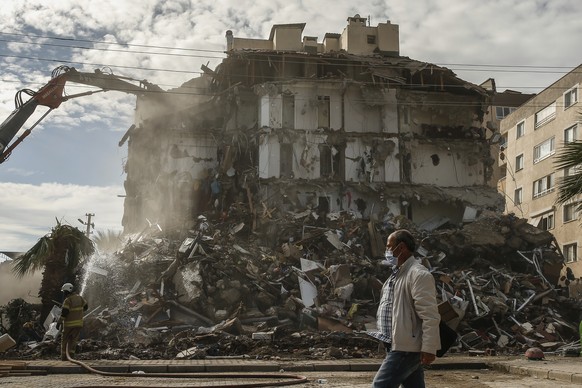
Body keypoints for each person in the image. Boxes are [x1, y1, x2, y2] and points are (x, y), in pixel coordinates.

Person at [368, 229, 441, 387]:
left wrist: (429, 347)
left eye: (389, 247)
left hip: (406, 348)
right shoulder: (398, 273)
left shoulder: (418, 274)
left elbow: (430, 315)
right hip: (398, 344)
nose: (387, 251)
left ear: (401, 248)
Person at [58, 283, 88, 361]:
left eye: (64, 292)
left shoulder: (68, 300)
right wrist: (79, 314)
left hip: (68, 325)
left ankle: (64, 357)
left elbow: (64, 312)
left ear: (67, 291)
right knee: (73, 340)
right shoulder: (80, 298)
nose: (64, 293)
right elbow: (86, 307)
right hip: (79, 324)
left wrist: (59, 322)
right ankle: (71, 356)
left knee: (64, 340)